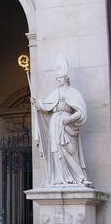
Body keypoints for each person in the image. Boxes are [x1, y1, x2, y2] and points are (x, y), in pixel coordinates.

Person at [32, 55, 90, 186]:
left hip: (66, 125)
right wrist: (36, 103)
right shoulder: (55, 93)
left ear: (66, 78)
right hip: (55, 123)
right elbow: (46, 106)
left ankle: (79, 177)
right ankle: (60, 178)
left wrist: (69, 119)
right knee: (56, 150)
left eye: (60, 77)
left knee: (71, 150)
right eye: (57, 78)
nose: (58, 80)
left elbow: (81, 112)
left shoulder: (73, 92)